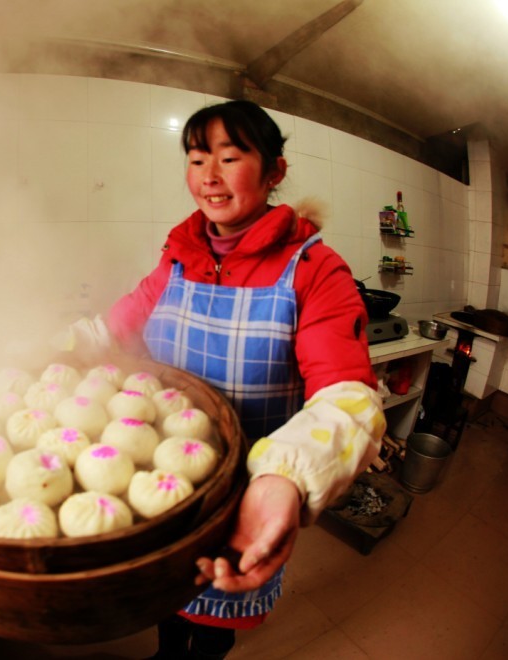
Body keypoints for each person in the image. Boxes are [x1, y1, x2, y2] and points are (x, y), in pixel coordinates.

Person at [98, 100, 384, 659]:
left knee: (213, 613)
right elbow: (117, 325)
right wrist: (55, 347)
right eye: (197, 157)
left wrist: (287, 478)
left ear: (274, 171)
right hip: (160, 488)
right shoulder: (179, 257)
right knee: (167, 598)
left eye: (230, 157)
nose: (209, 175)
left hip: (242, 501)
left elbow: (347, 398)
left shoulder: (313, 269)